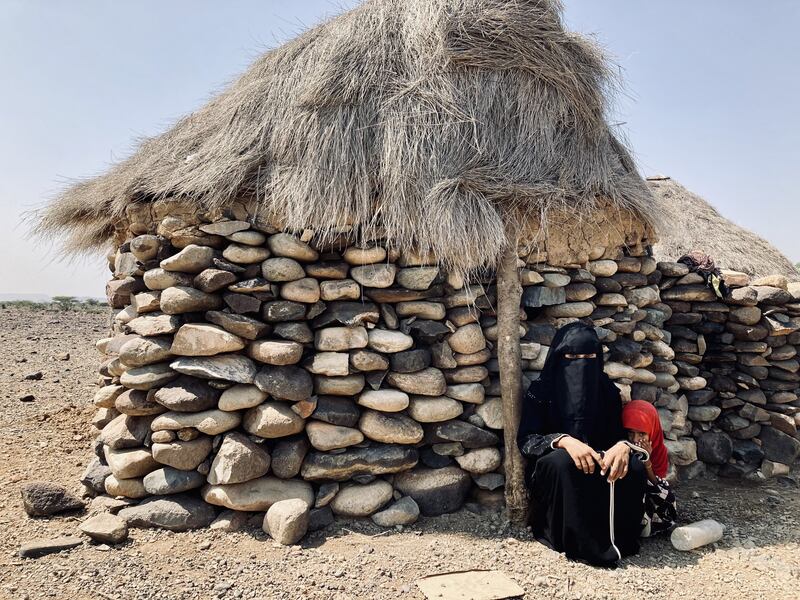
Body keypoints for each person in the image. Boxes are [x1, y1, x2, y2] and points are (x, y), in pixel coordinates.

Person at [517, 321, 647, 567]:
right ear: (558, 357)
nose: (582, 362)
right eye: (572, 356)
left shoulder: (607, 392)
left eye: (589, 356)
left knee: (634, 468)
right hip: (554, 462)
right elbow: (527, 439)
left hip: (599, 456)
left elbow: (616, 435)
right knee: (564, 464)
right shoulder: (541, 392)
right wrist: (564, 441)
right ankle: (573, 541)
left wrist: (622, 447)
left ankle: (622, 539)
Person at [622, 400, 678, 537]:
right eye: (630, 433)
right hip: (623, 493)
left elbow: (656, 484)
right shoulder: (619, 445)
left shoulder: (659, 450)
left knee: (665, 491)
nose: (635, 440)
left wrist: (647, 461)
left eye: (642, 434)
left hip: (645, 494)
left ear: (651, 431)